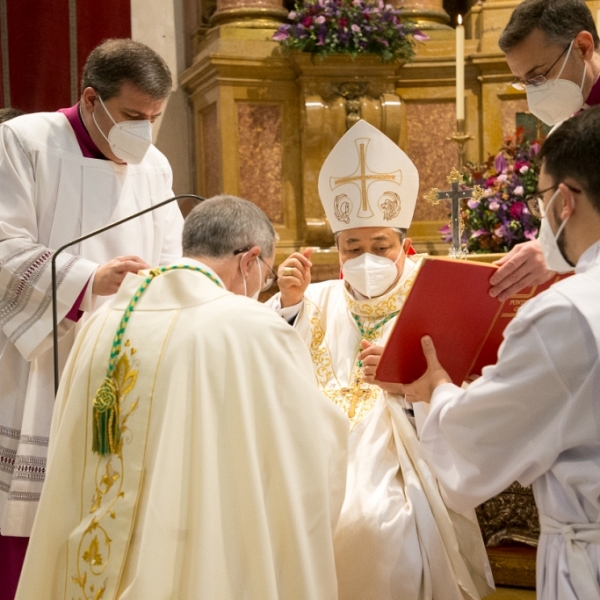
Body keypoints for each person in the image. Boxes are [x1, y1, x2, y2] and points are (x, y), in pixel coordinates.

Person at [15, 195, 348, 600]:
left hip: (98, 556)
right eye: (267, 274)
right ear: (250, 260)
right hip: (197, 549)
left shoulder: (102, 321)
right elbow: (309, 449)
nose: (263, 286)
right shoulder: (251, 328)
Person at [267, 119, 494, 600]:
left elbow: (461, 384)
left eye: (380, 246)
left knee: (375, 526)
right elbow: (270, 368)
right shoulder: (316, 297)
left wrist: (405, 384)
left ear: (403, 245)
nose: (365, 257)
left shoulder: (432, 293)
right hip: (319, 442)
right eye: (353, 247)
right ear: (337, 249)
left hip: (404, 443)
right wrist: (286, 306)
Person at [0, 38, 183, 596]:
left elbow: (173, 251)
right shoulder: (25, 140)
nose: (144, 133)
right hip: (41, 359)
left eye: (155, 118)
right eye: (132, 116)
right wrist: (84, 281)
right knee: (36, 515)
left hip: (127, 360)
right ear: (90, 98)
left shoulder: (154, 164)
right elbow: (3, 243)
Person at [402, 106, 600, 600]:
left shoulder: (566, 313)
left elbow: (476, 449)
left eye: (541, 201)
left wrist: (437, 391)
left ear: (565, 202)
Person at [488, 0, 600, 304]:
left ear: (583, 47)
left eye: (538, 76)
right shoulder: (564, 125)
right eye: (524, 82)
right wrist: (549, 250)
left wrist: (556, 253)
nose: (534, 93)